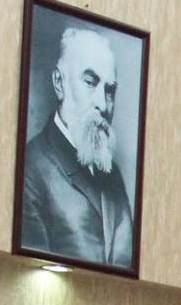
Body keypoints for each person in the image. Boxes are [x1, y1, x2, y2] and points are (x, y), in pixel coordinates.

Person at [19, 24, 136, 270]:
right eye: (90, 82)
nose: (103, 104)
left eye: (110, 90)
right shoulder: (31, 169)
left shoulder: (112, 176)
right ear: (59, 83)